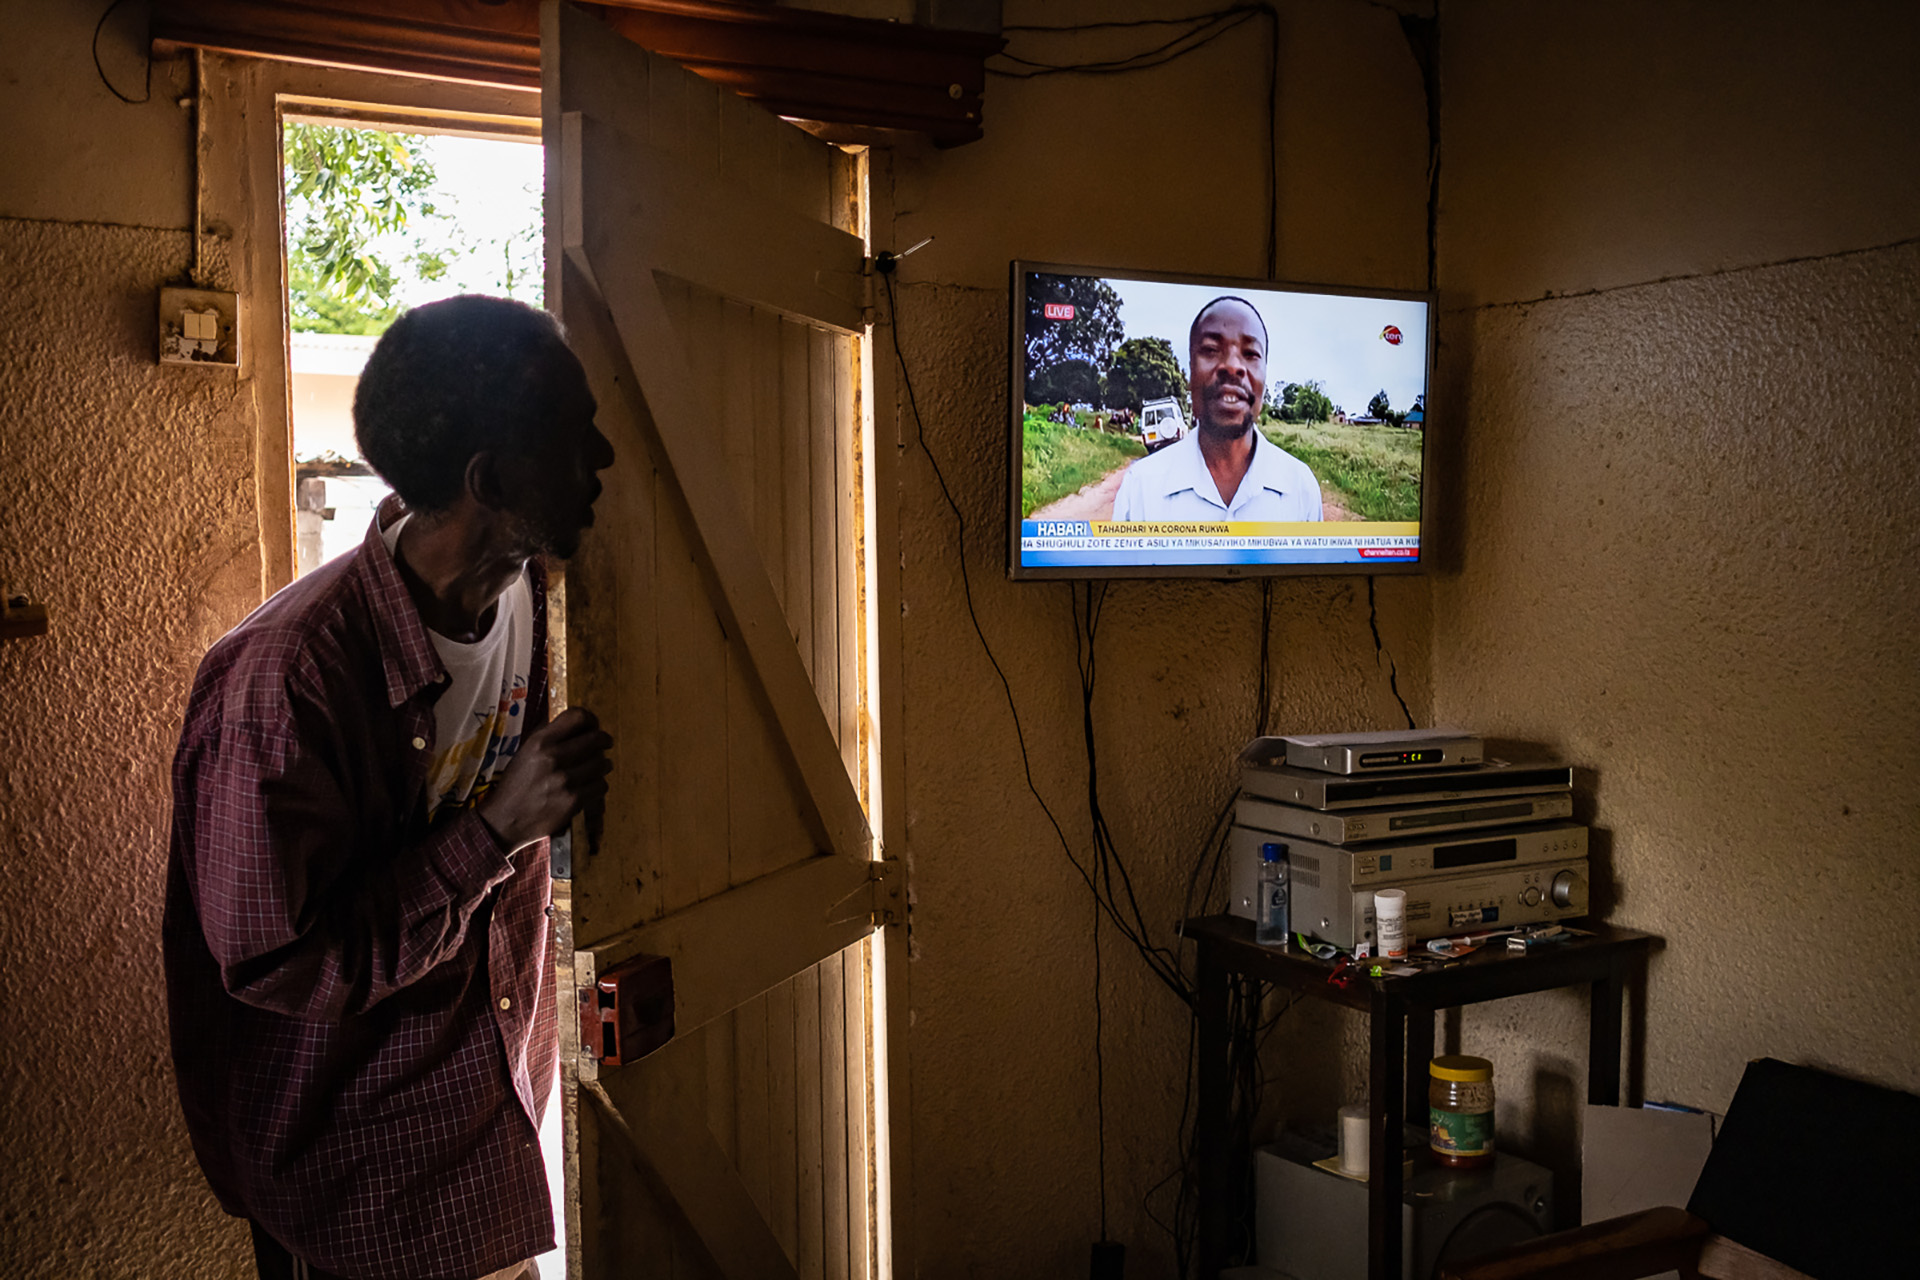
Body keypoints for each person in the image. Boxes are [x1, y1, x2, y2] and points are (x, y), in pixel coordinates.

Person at [162, 295, 616, 1280]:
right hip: (364, 1180)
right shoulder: (283, 684)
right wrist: (496, 831)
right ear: (488, 479)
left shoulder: (542, 595)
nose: (606, 456)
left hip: (488, 1132)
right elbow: (285, 962)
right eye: (575, 434)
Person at [1110, 296, 1323, 522]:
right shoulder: (1140, 490)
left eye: (1250, 354)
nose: (1232, 366)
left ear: (1265, 373)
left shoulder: (1301, 489)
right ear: (1190, 372)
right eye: (1211, 350)